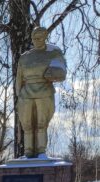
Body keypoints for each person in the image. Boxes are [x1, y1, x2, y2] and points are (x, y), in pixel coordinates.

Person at [16, 25, 66, 158]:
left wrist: (54, 73)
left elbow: (61, 71)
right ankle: (28, 152)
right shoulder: (25, 57)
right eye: (34, 38)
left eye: (39, 38)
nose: (36, 40)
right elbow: (19, 78)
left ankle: (41, 151)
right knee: (27, 125)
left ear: (45, 37)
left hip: (44, 92)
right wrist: (19, 95)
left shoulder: (53, 53)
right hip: (26, 94)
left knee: (41, 124)